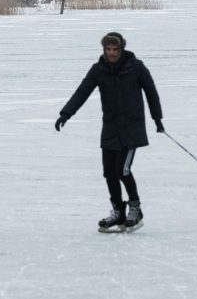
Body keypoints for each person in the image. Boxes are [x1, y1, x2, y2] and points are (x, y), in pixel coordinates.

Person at [55, 32, 164, 233]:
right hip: (111, 128)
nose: (112, 53)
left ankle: (135, 209)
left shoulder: (136, 67)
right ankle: (118, 212)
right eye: (108, 49)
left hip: (132, 128)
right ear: (104, 49)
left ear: (121, 48)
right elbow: (82, 92)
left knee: (122, 170)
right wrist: (66, 114)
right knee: (109, 172)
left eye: (115, 49)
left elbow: (151, 92)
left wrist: (157, 119)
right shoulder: (99, 70)